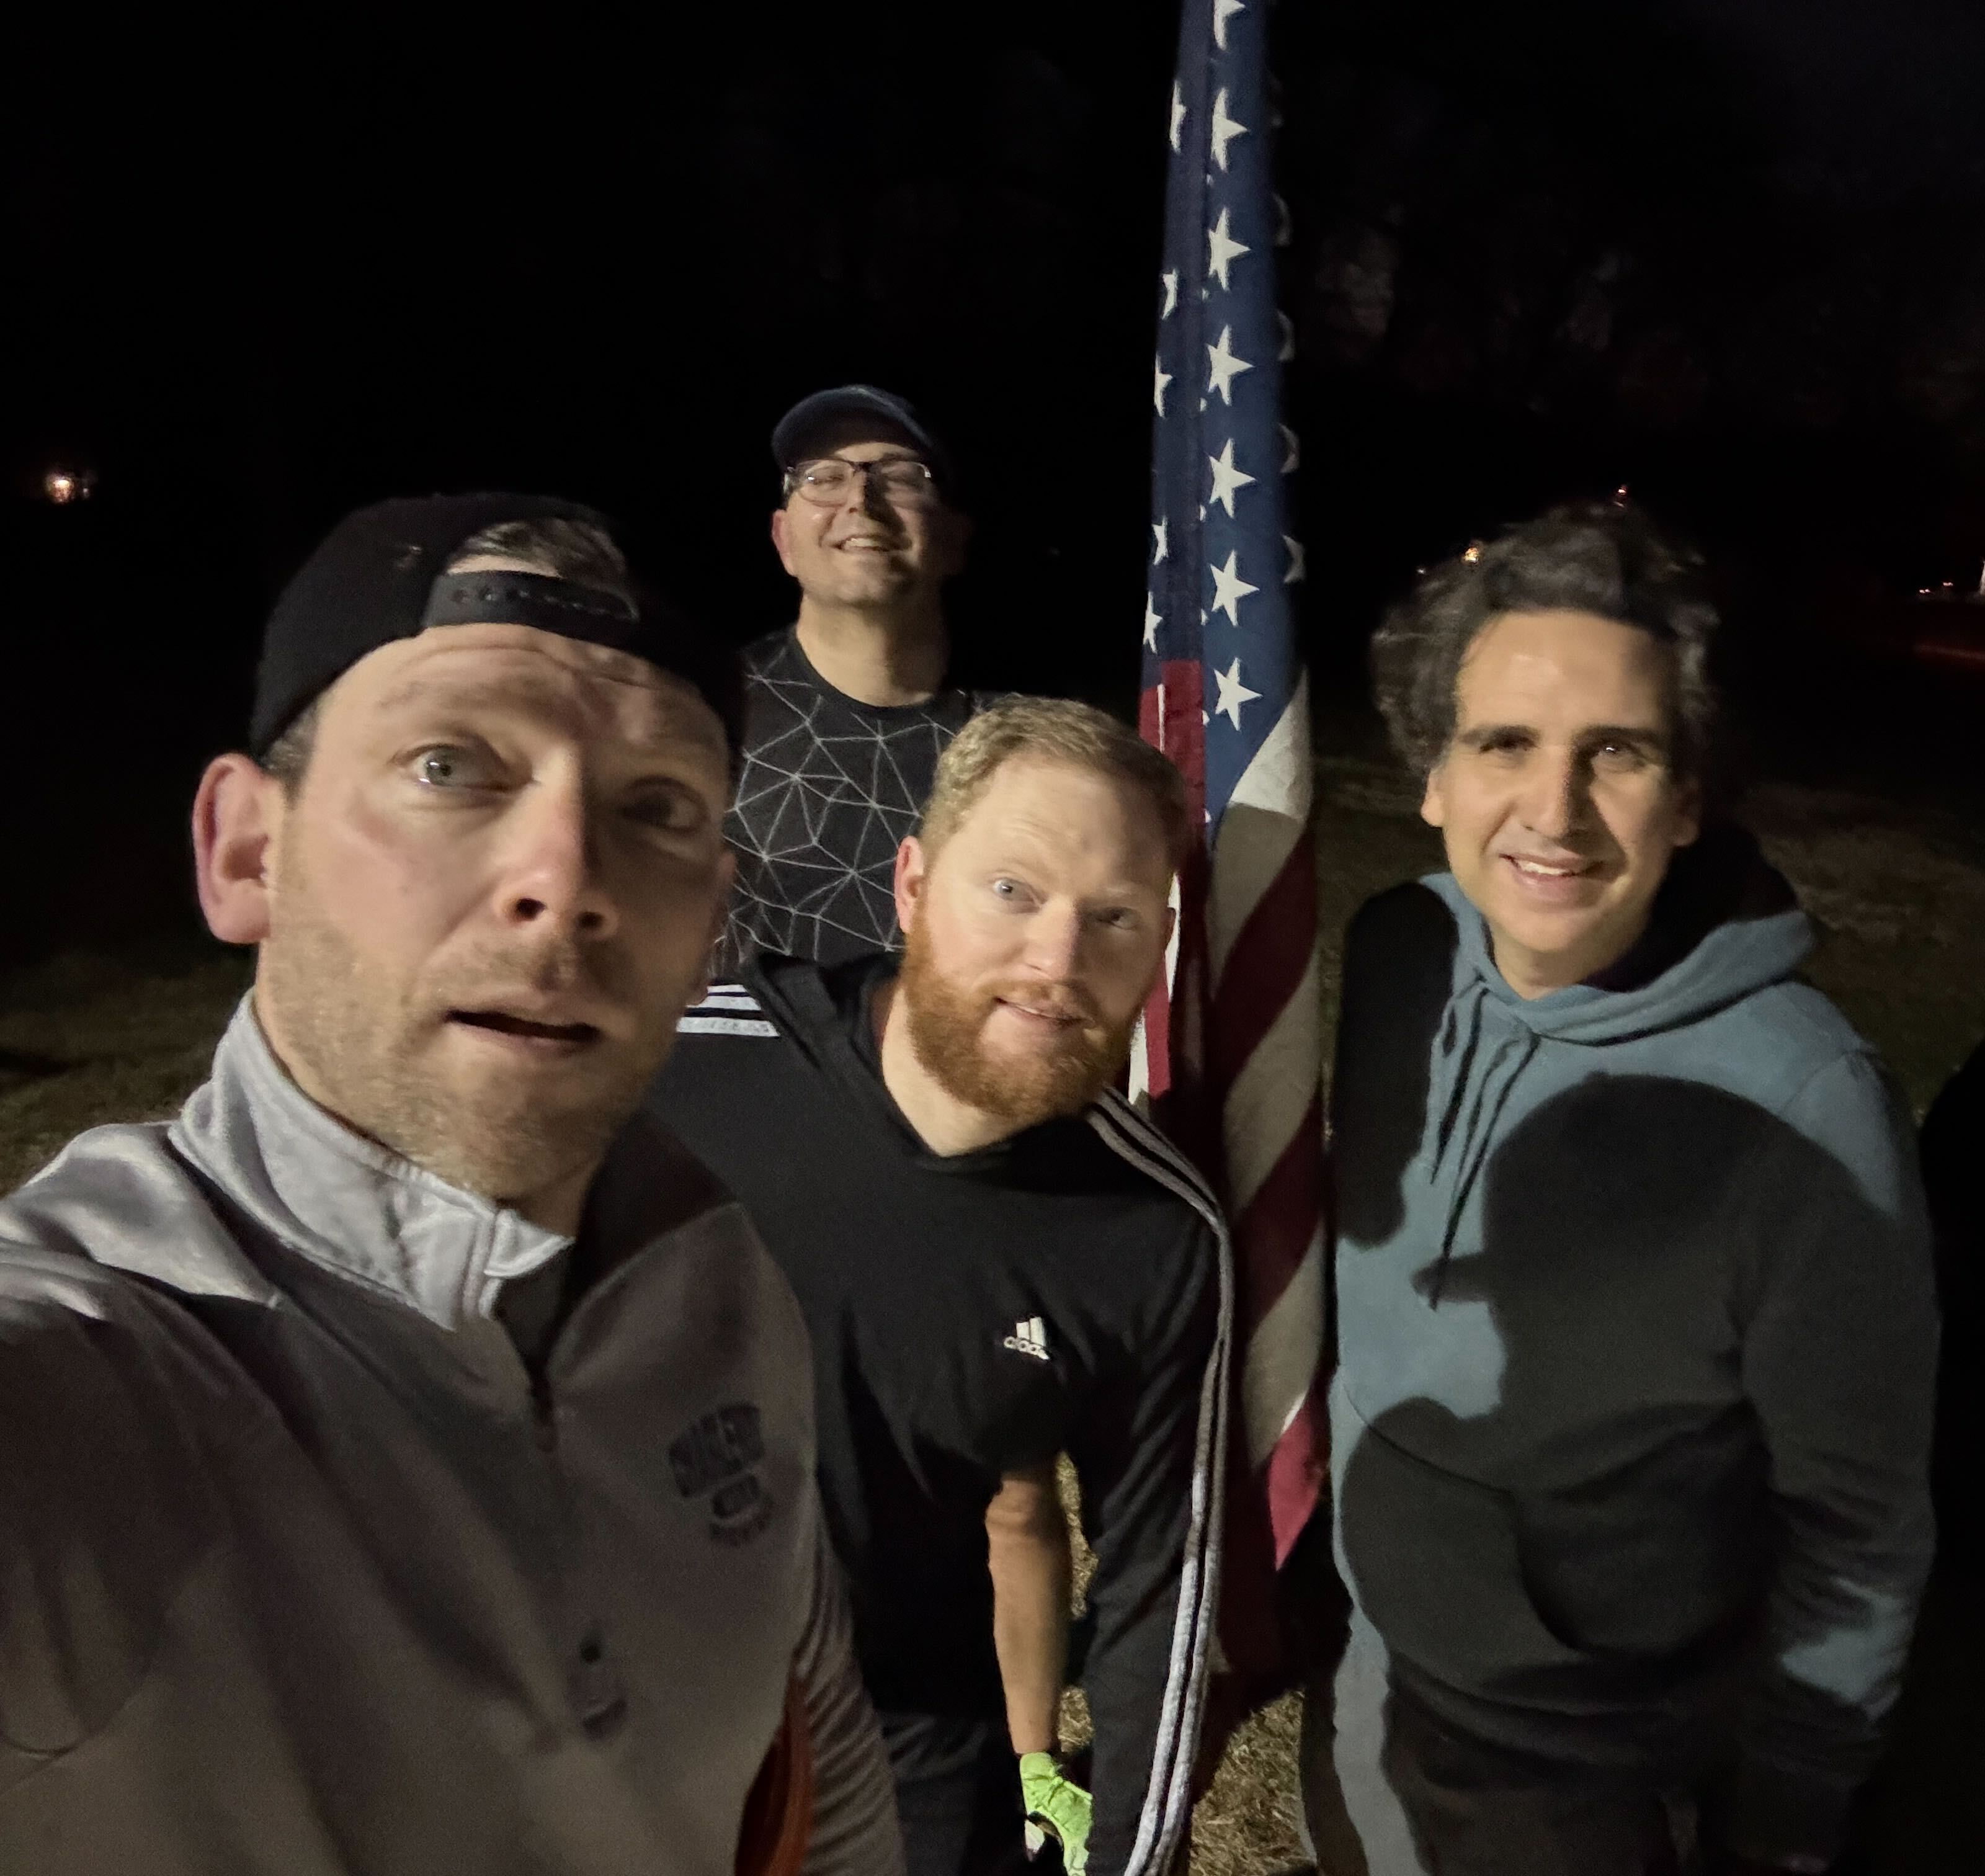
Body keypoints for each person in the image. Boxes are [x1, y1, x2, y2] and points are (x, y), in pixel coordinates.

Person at [0, 495, 904, 1876]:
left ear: (712, 924)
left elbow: (811, 1728)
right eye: (449, 766)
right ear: (248, 850)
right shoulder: (106, 1372)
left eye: (655, 807)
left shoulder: (712, 1273)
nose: (568, 877)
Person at [1303, 502, 1938, 1876]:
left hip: (1592, 1779)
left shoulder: (1805, 1104)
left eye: (1619, 752)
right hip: (1368, 1680)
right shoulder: (1400, 953)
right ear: (1432, 773)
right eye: (1504, 744)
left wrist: (1786, 1824)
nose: (1554, 809)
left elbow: (1859, 1524)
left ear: (1691, 794)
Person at [649, 697, 1229, 1876]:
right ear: (912, 885)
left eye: (1113, 917)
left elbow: (1160, 1591)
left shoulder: (1151, 1236)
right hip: (621, 1704)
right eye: (1011, 890)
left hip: (901, 1742)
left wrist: (1134, 1855)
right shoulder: (674, 1071)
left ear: (1159, 944)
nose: (1056, 961)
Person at [725, 384, 983, 970]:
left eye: (901, 477)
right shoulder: (697, 714)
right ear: (783, 540)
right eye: (823, 478)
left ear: (954, 539)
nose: (861, 502)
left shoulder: (1024, 745)